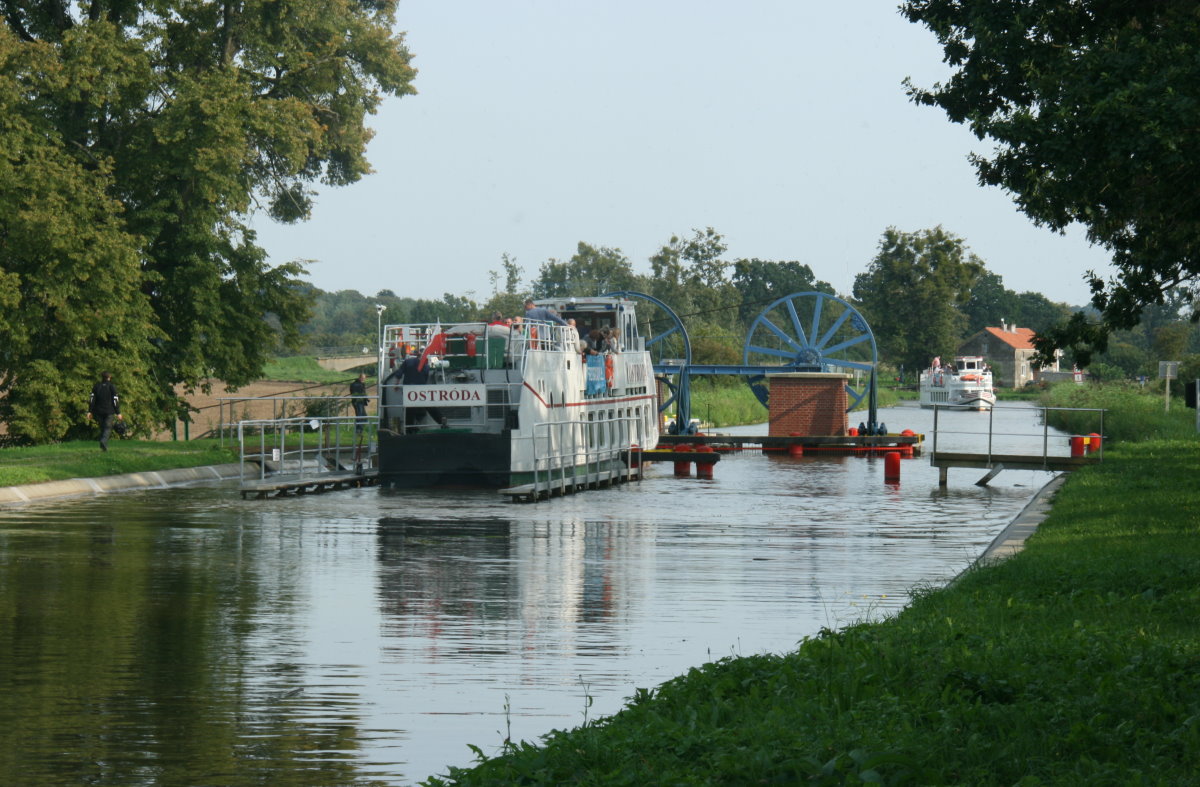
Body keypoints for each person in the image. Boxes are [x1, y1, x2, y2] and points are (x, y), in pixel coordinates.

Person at [399, 350, 446, 431]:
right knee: (428, 405)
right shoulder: (426, 366)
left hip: (409, 390)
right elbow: (425, 378)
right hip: (421, 390)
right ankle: (441, 420)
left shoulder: (408, 362)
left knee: (410, 408)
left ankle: (409, 428)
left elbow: (399, 372)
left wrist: (396, 383)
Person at [87, 371, 123, 452]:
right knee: (107, 428)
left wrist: (90, 411)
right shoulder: (112, 387)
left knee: (103, 428)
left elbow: (92, 399)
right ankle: (103, 442)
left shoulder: (96, 386)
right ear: (109, 377)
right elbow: (115, 400)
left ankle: (104, 448)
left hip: (98, 411)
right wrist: (118, 412)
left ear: (102, 377)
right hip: (109, 411)